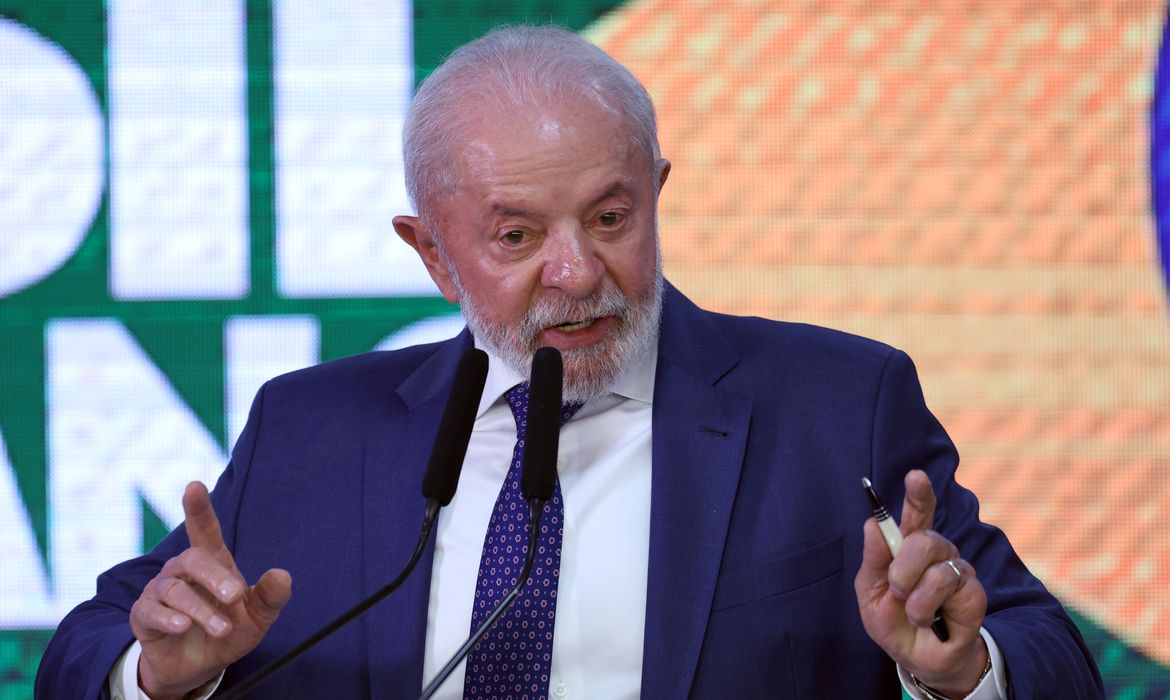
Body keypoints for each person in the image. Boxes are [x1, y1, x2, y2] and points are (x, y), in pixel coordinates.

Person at [36, 25, 1102, 699]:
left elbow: (1049, 654)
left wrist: (961, 673)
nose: (576, 271)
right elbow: (86, 650)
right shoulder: (312, 430)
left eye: (609, 216)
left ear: (657, 195)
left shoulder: (838, 406)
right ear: (433, 256)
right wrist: (162, 675)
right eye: (515, 236)